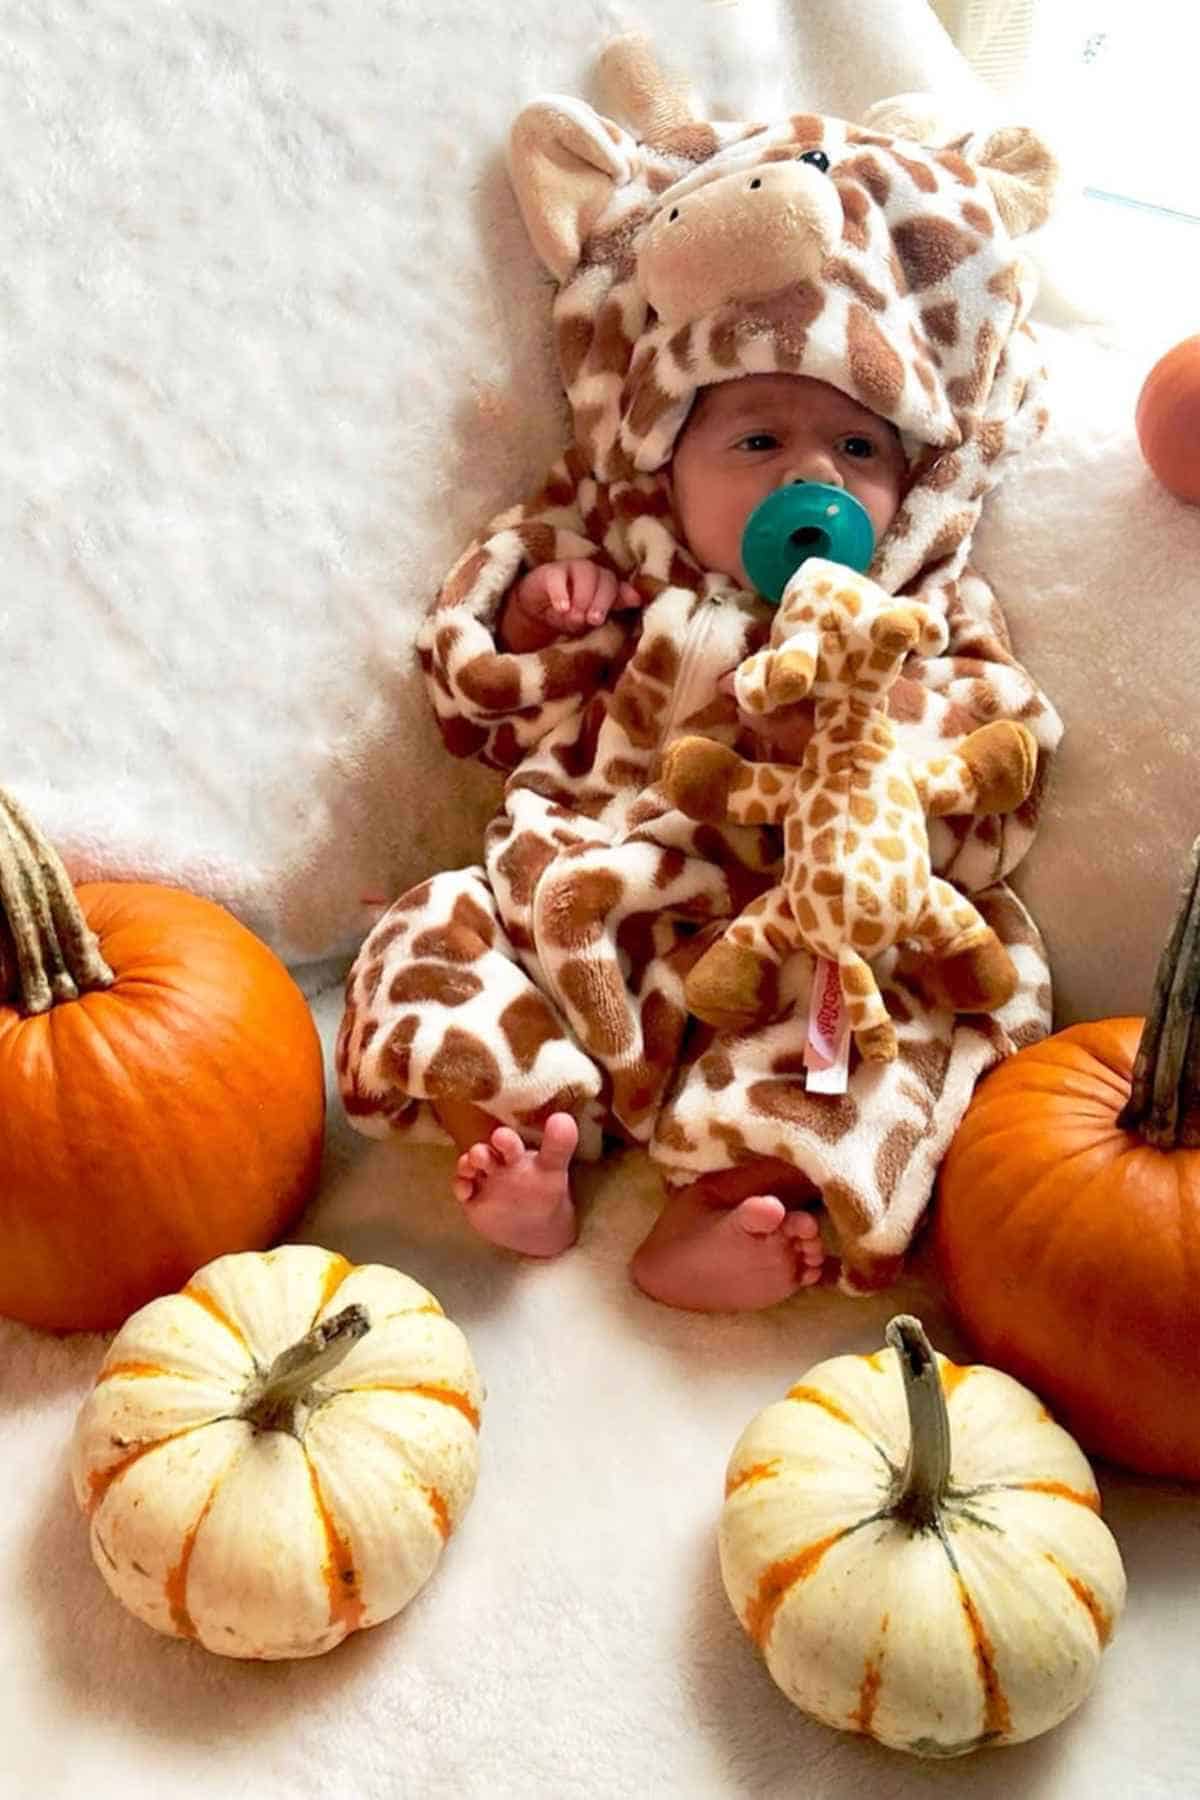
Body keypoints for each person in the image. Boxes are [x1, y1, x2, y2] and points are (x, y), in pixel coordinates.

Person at [337, 78, 1063, 1309]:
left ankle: (719, 1206)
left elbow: (995, 769)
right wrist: (532, 621)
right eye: (757, 442)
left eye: (858, 450)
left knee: (887, 1044)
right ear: (665, 467)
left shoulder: (919, 620)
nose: (812, 477)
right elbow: (479, 715)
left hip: (787, 930)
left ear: (911, 484)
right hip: (581, 891)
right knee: (429, 938)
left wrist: (886, 733)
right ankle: (520, 1152)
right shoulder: (621, 570)